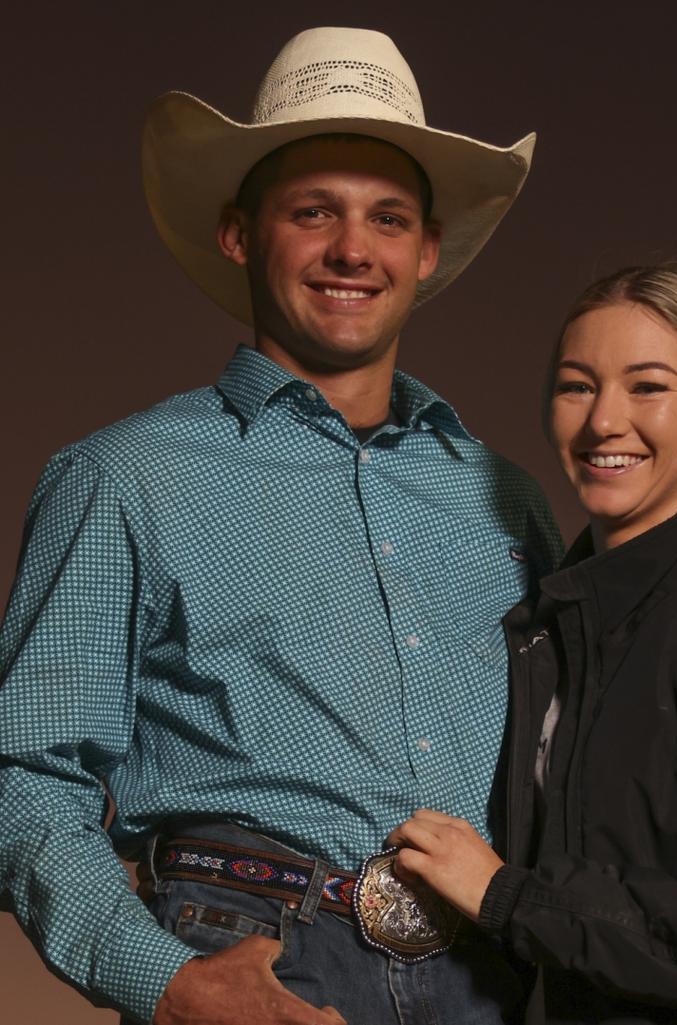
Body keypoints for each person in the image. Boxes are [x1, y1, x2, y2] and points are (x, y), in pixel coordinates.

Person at [0, 26, 562, 1025]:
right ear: (238, 232)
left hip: (495, 971)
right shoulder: (122, 478)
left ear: (425, 250)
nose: (354, 248)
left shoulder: (506, 499)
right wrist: (164, 979)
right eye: (314, 212)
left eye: (388, 218)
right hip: (256, 954)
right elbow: (26, 779)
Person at [388, 261, 677, 1023]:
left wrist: (509, 896)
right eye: (577, 385)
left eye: (648, 386)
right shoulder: (540, 631)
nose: (603, 421)